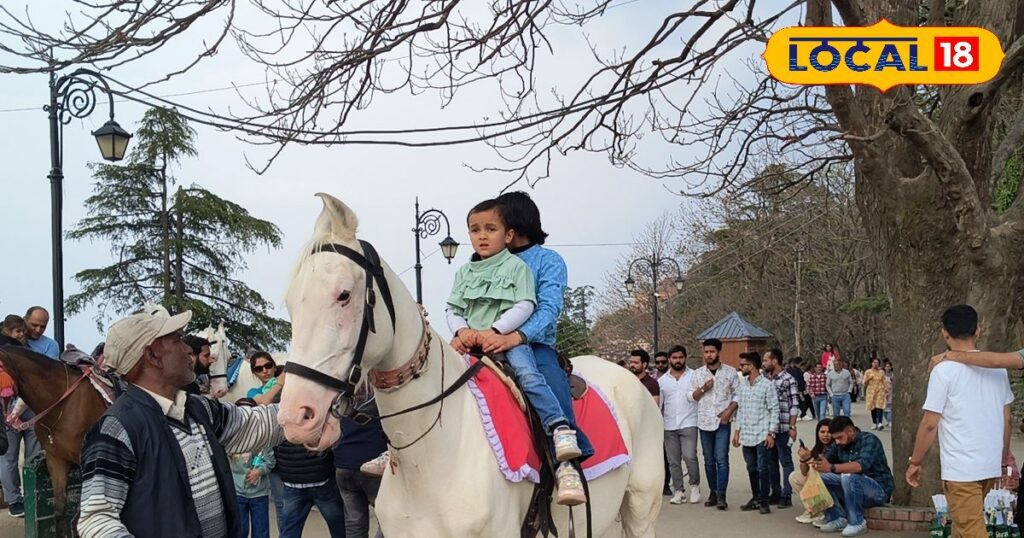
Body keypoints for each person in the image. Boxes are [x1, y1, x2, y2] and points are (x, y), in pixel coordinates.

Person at [77, 308, 284, 538]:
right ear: (153, 356)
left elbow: (252, 425)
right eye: (177, 341)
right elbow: (96, 520)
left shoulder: (198, 408)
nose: (188, 350)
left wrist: (313, 410)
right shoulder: (116, 430)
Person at [445, 198, 585, 506]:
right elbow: (460, 307)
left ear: (511, 227)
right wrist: (464, 334)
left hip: (532, 344)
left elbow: (548, 308)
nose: (483, 233)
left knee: (548, 380)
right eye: (477, 228)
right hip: (482, 342)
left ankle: (567, 463)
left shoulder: (546, 260)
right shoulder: (480, 264)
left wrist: (515, 337)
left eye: (493, 224)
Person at [907, 305, 1014, 538]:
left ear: (944, 333)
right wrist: (1002, 457)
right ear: (978, 330)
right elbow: (1007, 420)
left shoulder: (943, 371)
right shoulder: (999, 370)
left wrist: (915, 461)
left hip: (962, 469)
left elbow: (929, 423)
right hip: (989, 463)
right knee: (962, 528)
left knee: (971, 531)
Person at [812, 416, 893, 537]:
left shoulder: (869, 440)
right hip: (850, 487)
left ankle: (857, 522)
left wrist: (832, 467)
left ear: (850, 431)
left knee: (849, 475)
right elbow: (825, 461)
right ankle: (838, 518)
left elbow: (860, 466)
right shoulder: (837, 445)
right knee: (819, 478)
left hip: (878, 491)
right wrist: (815, 462)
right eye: (835, 439)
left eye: (840, 437)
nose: (837, 442)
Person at [689, 338, 740, 510]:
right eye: (706, 352)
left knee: (722, 459)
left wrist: (729, 411)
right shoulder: (697, 374)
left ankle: (721, 496)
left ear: (718, 352)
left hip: (722, 422)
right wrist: (704, 388)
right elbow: (691, 397)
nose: (708, 355)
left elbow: (738, 395)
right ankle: (712, 491)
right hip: (704, 422)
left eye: (712, 351)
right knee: (709, 460)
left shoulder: (731, 372)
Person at [335, 385, 387, 538]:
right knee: (387, 520)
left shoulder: (341, 398)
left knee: (354, 522)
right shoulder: (377, 397)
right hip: (373, 464)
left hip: (343, 464)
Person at [732, 351, 778, 515]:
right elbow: (741, 409)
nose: (741, 367)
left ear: (752, 366)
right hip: (747, 434)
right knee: (751, 468)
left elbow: (774, 410)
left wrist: (771, 433)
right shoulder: (742, 384)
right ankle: (756, 497)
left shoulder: (767, 385)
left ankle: (764, 501)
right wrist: (737, 431)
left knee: (762, 468)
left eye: (744, 364)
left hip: (762, 433)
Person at [659, 345, 701, 505]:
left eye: (680, 357)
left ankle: (695, 486)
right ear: (670, 359)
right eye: (674, 358)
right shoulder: (662, 381)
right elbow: (660, 405)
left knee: (690, 456)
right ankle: (678, 491)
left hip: (689, 422)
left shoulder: (694, 376)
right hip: (669, 425)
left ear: (685, 358)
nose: (678, 361)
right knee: (673, 460)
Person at [231, 399, 276, 538]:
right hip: (237, 492)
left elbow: (270, 460)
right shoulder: (230, 438)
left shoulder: (263, 437)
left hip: (259, 493)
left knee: (261, 531)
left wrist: (259, 471)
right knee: (240, 530)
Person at [762, 348, 799, 508]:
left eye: (765, 360)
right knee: (770, 462)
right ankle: (775, 492)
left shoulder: (788, 379)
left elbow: (794, 404)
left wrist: (792, 425)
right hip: (767, 427)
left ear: (774, 361)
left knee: (785, 461)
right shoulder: (764, 379)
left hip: (783, 426)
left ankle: (787, 494)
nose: (763, 364)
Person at [792, 418, 833, 525]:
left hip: (830, 481)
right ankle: (814, 509)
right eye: (822, 432)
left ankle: (820, 510)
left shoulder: (835, 447)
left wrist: (809, 460)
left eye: (829, 432)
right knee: (794, 477)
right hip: (816, 480)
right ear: (817, 433)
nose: (826, 435)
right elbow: (804, 472)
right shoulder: (818, 448)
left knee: (815, 474)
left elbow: (820, 469)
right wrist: (803, 459)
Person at [862, 358, 888, 430]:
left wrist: (886, 390)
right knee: (872, 407)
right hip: (871, 391)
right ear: (871, 363)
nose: (875, 364)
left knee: (879, 406)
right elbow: (864, 382)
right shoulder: (868, 372)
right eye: (874, 362)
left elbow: (884, 381)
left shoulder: (881, 372)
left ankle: (880, 422)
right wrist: (869, 378)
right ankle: (874, 423)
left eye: (877, 363)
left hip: (880, 391)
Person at [882, 361, 894, 427]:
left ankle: (890, 420)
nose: (887, 368)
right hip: (883, 392)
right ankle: (886, 419)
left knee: (890, 408)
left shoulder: (892, 375)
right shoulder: (882, 375)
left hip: (890, 392)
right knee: (884, 408)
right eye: (886, 367)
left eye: (889, 367)